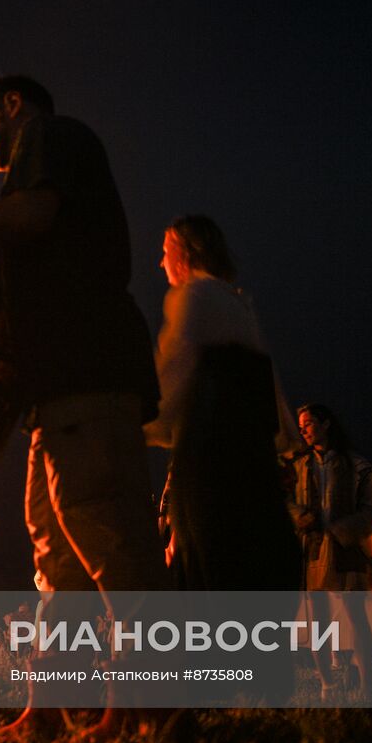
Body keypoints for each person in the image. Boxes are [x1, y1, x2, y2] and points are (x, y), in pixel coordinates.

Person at [0, 75, 168, 737]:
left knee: (112, 538)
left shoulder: (52, 137)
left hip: (87, 371)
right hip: (58, 390)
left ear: (11, 104)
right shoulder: (47, 149)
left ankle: (150, 710)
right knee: (59, 559)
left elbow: (32, 214)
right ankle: (50, 711)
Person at [144, 215, 302, 593]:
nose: (160, 263)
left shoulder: (193, 297)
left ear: (184, 253)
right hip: (254, 462)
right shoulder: (237, 304)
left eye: (165, 252)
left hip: (209, 460)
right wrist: (285, 445)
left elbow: (171, 376)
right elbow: (272, 390)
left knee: (210, 566)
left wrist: (135, 428)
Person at [290, 403, 372, 700]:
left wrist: (342, 530)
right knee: (317, 618)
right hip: (315, 549)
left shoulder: (356, 466)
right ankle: (327, 684)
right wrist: (298, 516)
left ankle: (368, 687)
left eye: (308, 422)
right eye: (301, 424)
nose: (304, 429)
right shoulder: (299, 467)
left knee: (355, 613)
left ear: (326, 424)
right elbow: (284, 500)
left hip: (345, 549)